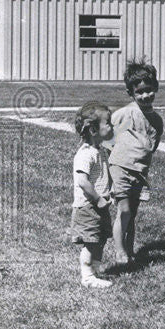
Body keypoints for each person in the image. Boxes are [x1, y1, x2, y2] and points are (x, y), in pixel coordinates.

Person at [107, 59, 164, 265]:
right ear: (131, 93)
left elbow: (152, 145)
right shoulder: (125, 113)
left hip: (140, 172)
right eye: (139, 92)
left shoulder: (156, 120)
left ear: (155, 88)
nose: (145, 95)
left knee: (132, 214)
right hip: (121, 168)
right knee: (124, 211)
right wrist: (113, 159)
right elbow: (106, 136)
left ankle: (130, 251)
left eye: (148, 90)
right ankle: (119, 252)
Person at [69, 101, 115, 288]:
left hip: (100, 204)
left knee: (100, 239)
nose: (112, 126)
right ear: (94, 130)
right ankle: (87, 276)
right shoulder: (85, 154)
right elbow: (82, 181)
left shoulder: (100, 150)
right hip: (88, 206)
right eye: (108, 123)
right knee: (90, 242)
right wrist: (98, 199)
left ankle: (95, 271)